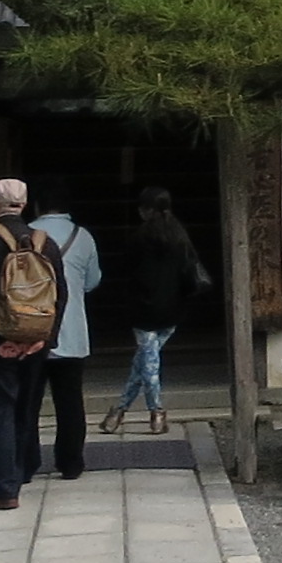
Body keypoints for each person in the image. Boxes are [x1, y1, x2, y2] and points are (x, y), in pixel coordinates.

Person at [0, 177, 63, 510]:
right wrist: (42, 338)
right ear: (24, 204)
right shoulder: (45, 243)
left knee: (0, 412)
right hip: (36, 343)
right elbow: (60, 295)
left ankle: (7, 489)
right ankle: (24, 468)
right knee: (27, 408)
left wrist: (0, 340)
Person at [100, 184, 207, 438]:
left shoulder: (138, 238)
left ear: (147, 210)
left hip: (143, 309)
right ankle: (118, 413)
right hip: (173, 308)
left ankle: (155, 411)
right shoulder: (180, 235)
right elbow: (188, 273)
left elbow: (126, 270)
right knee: (147, 360)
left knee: (147, 362)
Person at [30, 195, 103, 480]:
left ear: (37, 204)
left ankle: (26, 462)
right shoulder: (82, 237)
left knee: (28, 402)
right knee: (70, 402)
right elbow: (92, 281)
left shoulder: (26, 234)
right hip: (71, 330)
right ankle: (71, 463)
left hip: (31, 329)